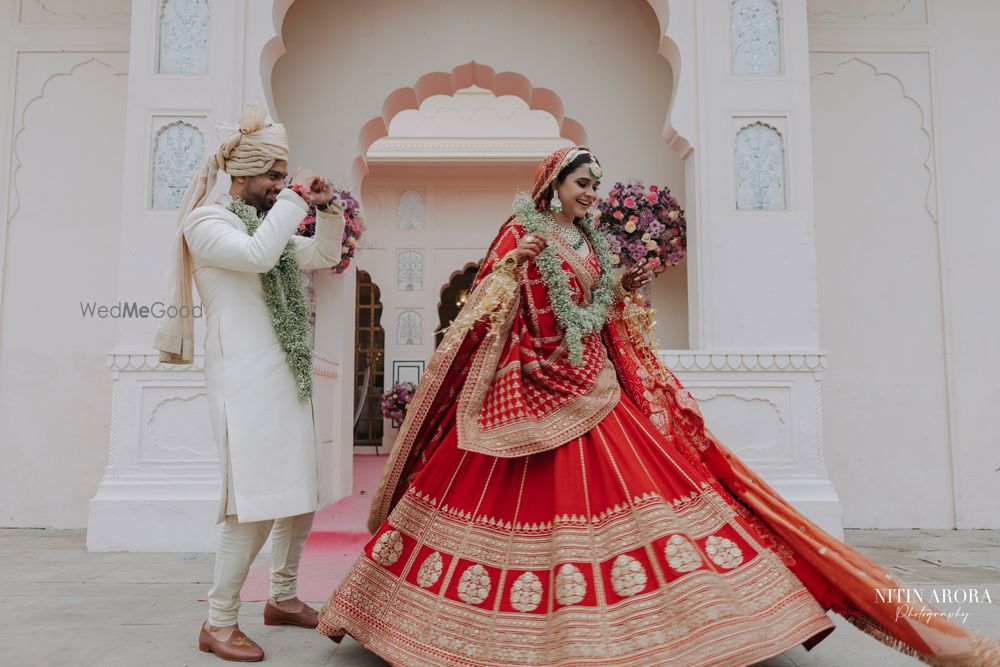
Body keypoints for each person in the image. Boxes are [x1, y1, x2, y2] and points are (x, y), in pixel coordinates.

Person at [315, 146, 998, 666]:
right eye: (583, 184)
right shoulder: (523, 233)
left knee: (660, 490)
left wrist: (623, 283)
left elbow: (594, 310)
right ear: (553, 186)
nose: (592, 195)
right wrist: (512, 267)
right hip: (532, 392)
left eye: (595, 186)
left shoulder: (591, 243)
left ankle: (688, 622)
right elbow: (492, 306)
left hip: (593, 385)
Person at [154, 103, 348, 662]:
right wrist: (294, 200)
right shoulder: (207, 224)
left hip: (285, 378)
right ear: (241, 174)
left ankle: (282, 598)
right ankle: (218, 622)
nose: (279, 186)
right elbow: (261, 257)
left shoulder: (264, 224)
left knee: (300, 497)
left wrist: (328, 207)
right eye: (273, 176)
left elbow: (324, 252)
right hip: (243, 382)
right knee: (254, 504)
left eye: (284, 177)